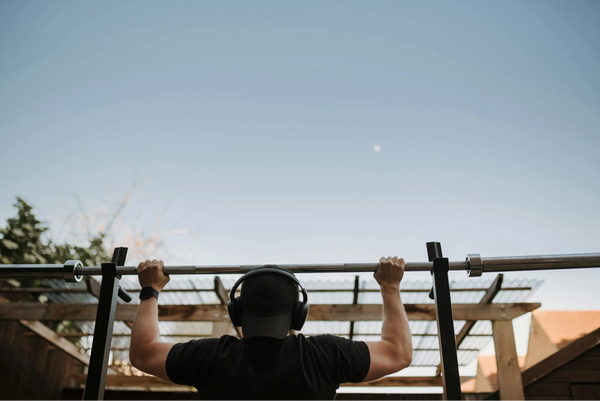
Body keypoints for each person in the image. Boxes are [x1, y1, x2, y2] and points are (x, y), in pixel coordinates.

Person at [130, 257, 412, 400]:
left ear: (236, 312)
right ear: (298, 315)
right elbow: (398, 353)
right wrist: (390, 286)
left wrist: (150, 290)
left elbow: (143, 353)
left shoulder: (211, 357)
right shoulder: (324, 355)